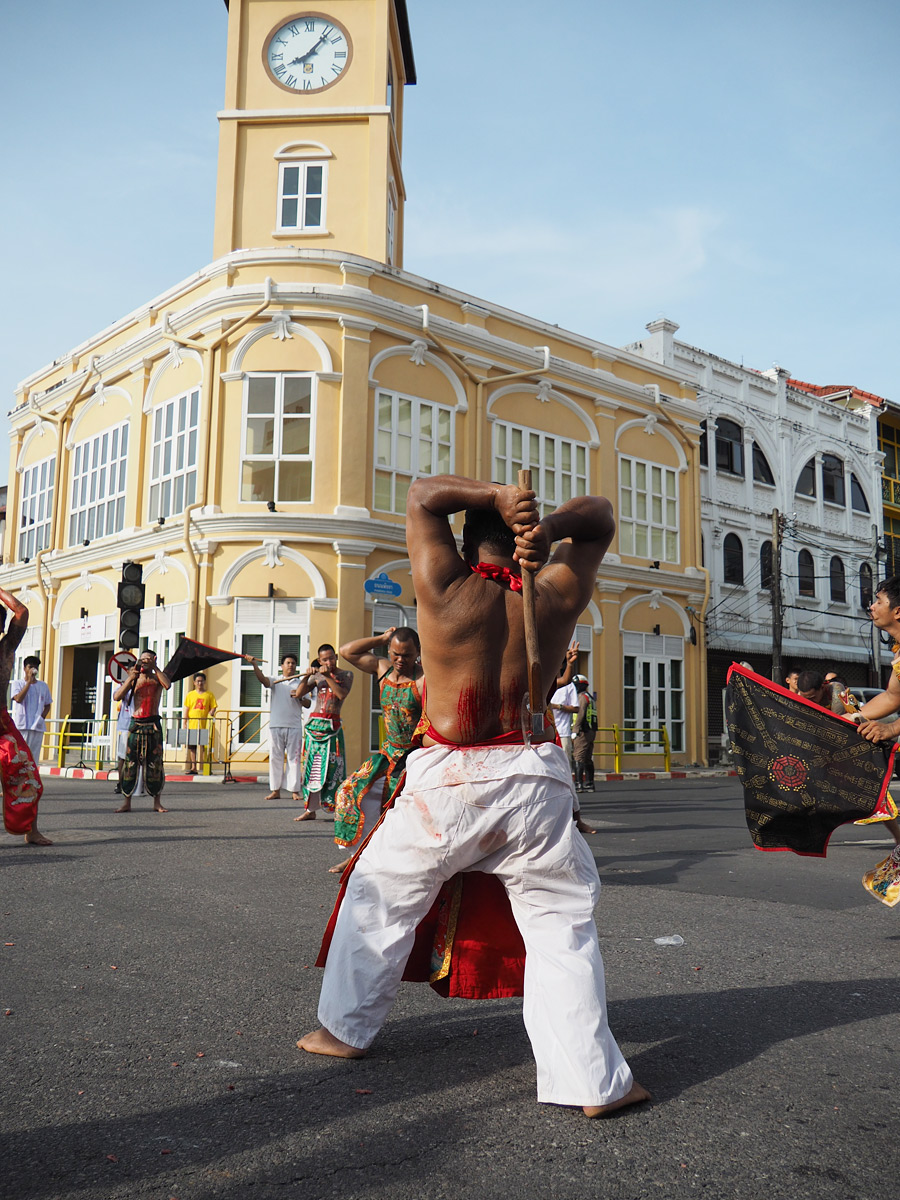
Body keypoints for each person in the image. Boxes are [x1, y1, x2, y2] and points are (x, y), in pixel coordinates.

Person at [299, 474, 649, 1119]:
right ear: (526, 543)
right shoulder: (554, 594)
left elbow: (423, 496)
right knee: (560, 929)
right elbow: (599, 517)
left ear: (463, 544)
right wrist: (553, 526)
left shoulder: (445, 589)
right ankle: (593, 1084)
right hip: (533, 777)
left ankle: (342, 1032)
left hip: (447, 779)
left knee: (378, 900)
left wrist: (491, 497)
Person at [325, 626, 424, 873]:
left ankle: (403, 864)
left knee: (399, 810)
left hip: (415, 757)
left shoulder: (425, 678)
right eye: (395, 654)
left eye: (408, 655)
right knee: (348, 791)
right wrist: (381, 638)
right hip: (387, 754)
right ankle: (357, 855)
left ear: (418, 653)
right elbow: (347, 651)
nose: (401, 660)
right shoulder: (382, 668)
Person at [0, 589, 51, 845]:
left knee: (28, 774)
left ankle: (32, 831)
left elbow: (21, 612)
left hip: (2, 722)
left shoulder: (6, 648)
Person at [293, 645, 353, 821]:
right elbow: (298, 693)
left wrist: (328, 676)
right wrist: (306, 676)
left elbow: (341, 695)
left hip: (332, 727)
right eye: (324, 660)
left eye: (331, 658)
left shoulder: (346, 675)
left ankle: (336, 809)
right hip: (314, 725)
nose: (329, 662)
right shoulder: (316, 676)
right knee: (312, 768)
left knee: (334, 769)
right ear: (319, 661)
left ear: (335, 657)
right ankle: (310, 810)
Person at [113, 649, 171, 812]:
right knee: (130, 765)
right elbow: (117, 696)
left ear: (153, 659)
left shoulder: (157, 678)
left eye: (148, 660)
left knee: (156, 764)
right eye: (142, 660)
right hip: (136, 723)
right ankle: (127, 802)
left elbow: (167, 684)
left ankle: (157, 802)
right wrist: (131, 676)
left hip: (153, 724)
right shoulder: (133, 679)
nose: (144, 662)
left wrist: (156, 668)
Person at [251, 652, 306, 802]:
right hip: (276, 726)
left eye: (293, 663)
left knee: (294, 759)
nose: (291, 665)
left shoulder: (301, 684)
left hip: (294, 726)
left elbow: (307, 703)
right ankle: (275, 790)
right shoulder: (276, 681)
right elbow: (262, 680)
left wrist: (299, 696)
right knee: (276, 758)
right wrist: (254, 664)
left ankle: (295, 790)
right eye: (288, 663)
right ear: (282, 666)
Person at [11, 656, 52, 764]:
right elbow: (18, 699)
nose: (33, 669)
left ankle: (32, 778)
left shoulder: (43, 686)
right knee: (21, 754)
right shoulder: (18, 684)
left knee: (33, 757)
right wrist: (28, 682)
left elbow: (48, 704)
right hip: (22, 725)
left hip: (37, 726)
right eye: (30, 667)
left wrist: (41, 718)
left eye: (35, 667)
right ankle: (21, 778)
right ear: (25, 668)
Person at [182, 672, 217, 774]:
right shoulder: (190, 695)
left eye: (201, 681)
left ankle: (205, 766)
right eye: (198, 681)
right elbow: (187, 709)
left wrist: (212, 711)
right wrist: (184, 722)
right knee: (192, 746)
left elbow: (214, 706)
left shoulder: (209, 694)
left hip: (204, 724)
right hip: (193, 723)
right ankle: (194, 767)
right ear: (194, 682)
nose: (200, 683)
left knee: (204, 746)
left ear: (204, 682)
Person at [572, 675, 597, 792]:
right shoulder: (590, 697)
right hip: (591, 731)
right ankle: (589, 784)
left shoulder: (582, 698)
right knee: (587, 758)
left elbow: (580, 714)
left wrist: (575, 730)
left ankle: (578, 784)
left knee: (578, 756)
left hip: (583, 731)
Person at [113, 682, 134, 796]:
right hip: (125, 726)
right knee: (122, 757)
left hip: (138, 724)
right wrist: (128, 683)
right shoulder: (122, 684)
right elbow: (116, 696)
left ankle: (138, 783)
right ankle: (121, 783)